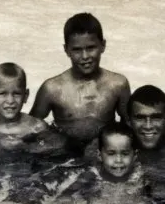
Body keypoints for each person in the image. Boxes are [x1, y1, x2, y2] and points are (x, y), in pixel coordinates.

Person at [30, 13, 130, 148]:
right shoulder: (52, 89)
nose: (85, 56)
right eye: (77, 50)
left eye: (91, 48)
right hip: (65, 152)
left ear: (103, 45)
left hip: (102, 151)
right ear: (66, 50)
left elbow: (129, 126)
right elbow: (30, 128)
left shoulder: (117, 85)